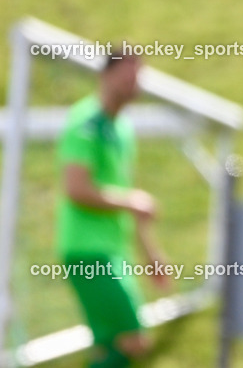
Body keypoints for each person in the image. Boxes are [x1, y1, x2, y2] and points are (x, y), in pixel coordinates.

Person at [57, 50, 170, 367]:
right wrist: (132, 201)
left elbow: (125, 197)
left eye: (138, 75)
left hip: (112, 250)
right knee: (133, 341)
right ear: (105, 75)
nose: (135, 82)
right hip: (88, 250)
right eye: (128, 74)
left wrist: (150, 253)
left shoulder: (122, 129)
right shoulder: (87, 121)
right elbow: (76, 188)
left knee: (110, 348)